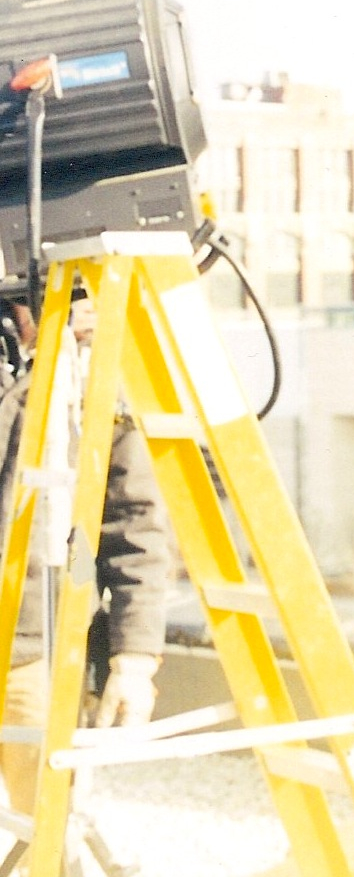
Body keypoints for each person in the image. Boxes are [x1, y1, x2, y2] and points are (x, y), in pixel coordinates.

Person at [0, 297, 171, 815]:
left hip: (32, 652)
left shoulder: (93, 389)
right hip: (31, 644)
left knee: (47, 826)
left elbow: (134, 526)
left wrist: (135, 659)